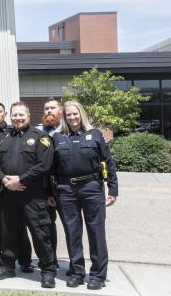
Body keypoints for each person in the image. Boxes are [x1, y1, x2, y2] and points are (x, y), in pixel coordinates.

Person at [0, 102, 57, 289]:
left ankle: (48, 270)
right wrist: (4, 180)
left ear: (28, 115)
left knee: (40, 232)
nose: (17, 118)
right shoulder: (5, 138)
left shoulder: (40, 137)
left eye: (21, 115)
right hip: (8, 193)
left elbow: (44, 165)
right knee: (8, 231)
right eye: (15, 115)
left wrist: (21, 180)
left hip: (32, 194)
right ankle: (8, 265)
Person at [53, 100, 118, 290]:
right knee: (72, 232)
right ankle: (77, 272)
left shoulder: (95, 134)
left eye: (75, 114)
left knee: (96, 231)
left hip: (92, 187)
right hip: (66, 190)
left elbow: (108, 162)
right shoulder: (58, 137)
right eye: (68, 115)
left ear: (81, 114)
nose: (72, 117)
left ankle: (98, 274)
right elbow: (52, 169)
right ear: (64, 117)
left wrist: (112, 189)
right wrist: (52, 192)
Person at [0, 102, 34, 273]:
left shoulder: (12, 132)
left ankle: (25, 260)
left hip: (12, 185)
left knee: (18, 223)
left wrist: (8, 179)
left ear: (5, 114)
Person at [36, 98, 62, 269]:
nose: (48, 111)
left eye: (52, 108)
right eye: (46, 108)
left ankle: (77, 264)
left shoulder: (67, 130)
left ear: (60, 110)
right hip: (45, 185)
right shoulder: (37, 131)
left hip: (65, 184)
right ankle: (50, 259)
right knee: (46, 223)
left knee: (71, 225)